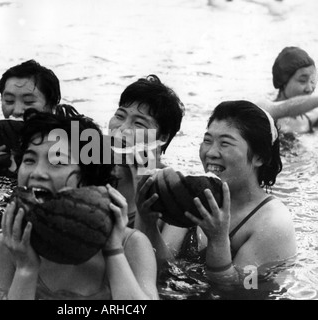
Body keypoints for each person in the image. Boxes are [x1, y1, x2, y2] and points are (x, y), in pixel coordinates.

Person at [0, 107, 158, 300]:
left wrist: (113, 251)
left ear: (88, 178)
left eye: (57, 162)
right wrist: (25, 269)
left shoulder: (131, 245)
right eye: (29, 160)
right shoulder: (5, 248)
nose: (37, 172)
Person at [135, 100, 297, 286]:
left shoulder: (272, 224)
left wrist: (218, 240)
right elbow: (166, 268)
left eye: (225, 143)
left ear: (259, 157)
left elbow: (244, 289)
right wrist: (147, 222)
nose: (210, 152)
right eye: (207, 140)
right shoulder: (194, 193)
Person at [0, 59, 61, 184]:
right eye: (9, 101)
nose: (16, 111)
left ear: (52, 105)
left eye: (28, 102)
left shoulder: (72, 144)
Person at [108, 74, 184, 228]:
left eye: (139, 123)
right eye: (119, 115)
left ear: (162, 137)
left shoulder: (172, 191)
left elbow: (166, 252)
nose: (122, 128)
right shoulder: (90, 170)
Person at [256, 46, 318, 135]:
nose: (309, 88)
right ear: (284, 82)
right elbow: (284, 109)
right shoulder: (264, 110)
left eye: (312, 81)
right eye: (302, 81)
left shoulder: (309, 119)